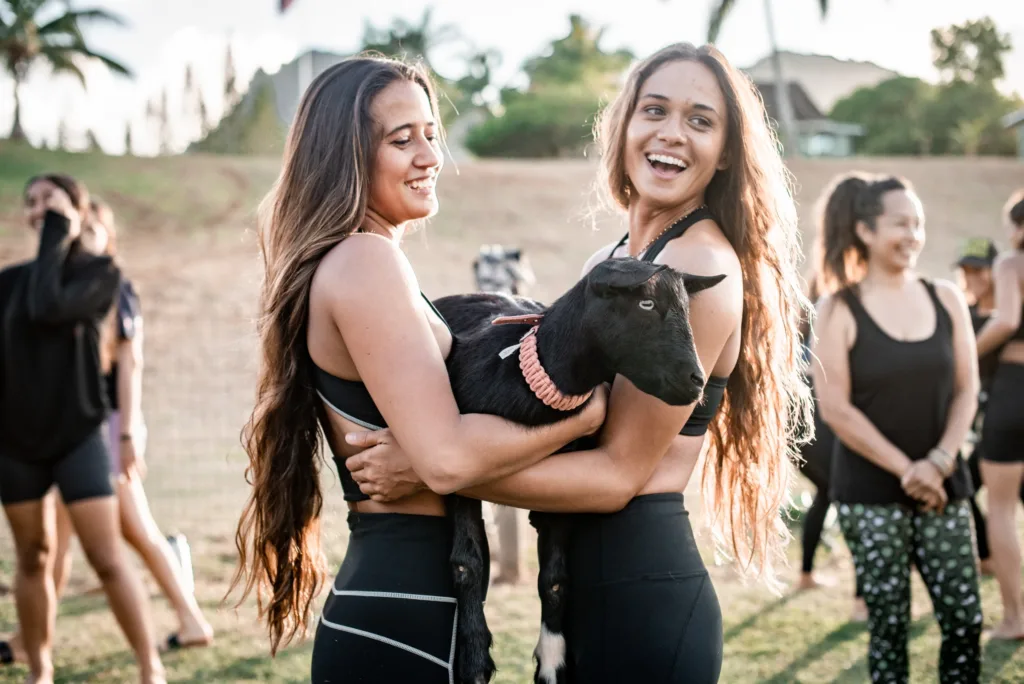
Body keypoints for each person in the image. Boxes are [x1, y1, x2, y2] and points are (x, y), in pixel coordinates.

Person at [345, 43, 813, 683]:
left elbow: (619, 474)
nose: (672, 133)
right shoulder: (611, 262)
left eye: (701, 120)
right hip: (576, 589)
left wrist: (435, 469)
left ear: (728, 151)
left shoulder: (696, 268)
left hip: (640, 593)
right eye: (655, 110)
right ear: (624, 124)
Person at [228, 55, 606, 684]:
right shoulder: (364, 261)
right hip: (404, 616)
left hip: (407, 604)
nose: (430, 156)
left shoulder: (354, 261)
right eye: (402, 140)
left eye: (431, 134)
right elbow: (449, 461)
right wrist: (582, 417)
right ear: (344, 155)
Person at [811, 172, 982, 683]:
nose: (913, 234)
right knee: (889, 629)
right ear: (865, 230)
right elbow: (835, 407)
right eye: (899, 223)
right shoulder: (837, 307)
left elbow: (967, 391)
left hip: (945, 487)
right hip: (870, 496)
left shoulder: (946, 297)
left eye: (919, 223)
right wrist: (908, 470)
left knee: (964, 621)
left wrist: (938, 463)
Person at [0, 175, 165, 684]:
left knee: (106, 558)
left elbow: (48, 306)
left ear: (76, 208)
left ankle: (149, 668)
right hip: (16, 443)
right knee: (33, 558)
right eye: (32, 203)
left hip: (79, 436)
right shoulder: (7, 282)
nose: (39, 208)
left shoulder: (101, 274)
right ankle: (40, 671)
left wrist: (58, 232)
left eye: (50, 199)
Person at [794, 274, 867, 621]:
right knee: (848, 498)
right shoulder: (833, 313)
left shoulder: (805, 317)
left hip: (800, 427)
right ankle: (860, 600)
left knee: (828, 493)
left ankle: (806, 575)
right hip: (818, 423)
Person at [953, 236, 1024, 579]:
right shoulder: (961, 316)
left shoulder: (1007, 322)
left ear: (995, 272)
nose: (972, 279)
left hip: (1005, 422)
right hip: (983, 426)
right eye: (966, 271)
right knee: (963, 488)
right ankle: (986, 558)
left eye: (979, 271)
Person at [974, 189, 1024, 640]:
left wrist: (964, 355)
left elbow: (1007, 320)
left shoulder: (1012, 262)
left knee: (1002, 509)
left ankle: (1015, 618)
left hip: (1014, 391)